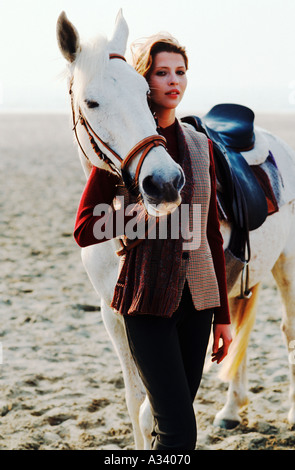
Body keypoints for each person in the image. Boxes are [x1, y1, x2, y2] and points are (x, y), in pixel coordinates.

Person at [73, 33, 232, 450]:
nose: (173, 82)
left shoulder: (201, 146)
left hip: (197, 303)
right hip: (147, 302)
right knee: (180, 432)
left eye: (180, 72)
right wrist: (144, 213)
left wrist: (224, 317)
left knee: (175, 427)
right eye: (162, 73)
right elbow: (85, 229)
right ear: (145, 82)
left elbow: (211, 235)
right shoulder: (123, 150)